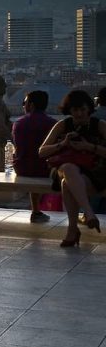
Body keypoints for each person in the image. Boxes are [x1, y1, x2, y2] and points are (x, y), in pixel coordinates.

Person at [39, 90, 106, 247]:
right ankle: (88, 213)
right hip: (64, 168)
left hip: (93, 173)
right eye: (75, 110)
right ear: (70, 110)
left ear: (89, 109)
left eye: (82, 110)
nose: (80, 114)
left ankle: (72, 230)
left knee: (66, 184)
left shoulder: (100, 126)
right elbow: (42, 151)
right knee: (69, 168)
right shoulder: (63, 125)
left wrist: (89, 147)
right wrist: (62, 144)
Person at [12, 90, 56, 223]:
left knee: (30, 160)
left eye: (24, 103)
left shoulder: (19, 123)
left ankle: (36, 211)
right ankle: (37, 211)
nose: (23, 106)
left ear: (31, 105)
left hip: (22, 168)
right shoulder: (52, 124)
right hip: (45, 168)